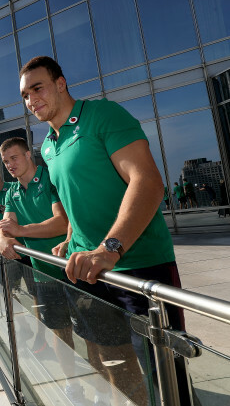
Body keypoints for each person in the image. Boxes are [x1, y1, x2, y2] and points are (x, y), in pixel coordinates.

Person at [20, 56, 184, 406]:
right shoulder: (48, 146)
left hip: (139, 267)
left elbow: (148, 183)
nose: (31, 99)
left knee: (167, 379)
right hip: (89, 273)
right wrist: (70, 239)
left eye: (38, 88)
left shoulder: (103, 116)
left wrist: (109, 247)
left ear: (61, 84)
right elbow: (75, 200)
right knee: (108, 363)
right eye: (25, 95)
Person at [0, 137, 85, 401]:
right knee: (59, 332)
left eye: (14, 158)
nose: (10, 165)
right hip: (42, 274)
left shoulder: (50, 178)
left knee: (92, 338)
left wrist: (20, 232)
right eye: (5, 161)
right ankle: (73, 386)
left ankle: (104, 392)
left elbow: (61, 222)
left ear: (27, 155)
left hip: (74, 269)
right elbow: (5, 227)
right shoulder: (11, 192)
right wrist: (3, 241)